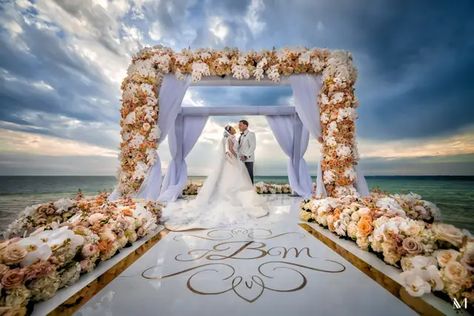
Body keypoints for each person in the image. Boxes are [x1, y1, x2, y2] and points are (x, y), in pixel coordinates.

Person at [162, 124, 268, 231]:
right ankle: (235, 199)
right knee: (234, 181)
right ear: (229, 131)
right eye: (232, 128)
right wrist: (236, 158)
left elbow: (235, 149)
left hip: (235, 161)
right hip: (232, 162)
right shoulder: (228, 139)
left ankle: (239, 198)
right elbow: (229, 150)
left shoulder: (232, 138)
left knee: (236, 181)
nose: (234, 128)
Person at [237, 119, 256, 184]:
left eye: (240, 125)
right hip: (241, 160)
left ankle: (251, 193)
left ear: (246, 126)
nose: (239, 127)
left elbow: (252, 146)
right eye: (239, 125)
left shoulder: (251, 134)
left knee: (249, 178)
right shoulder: (240, 136)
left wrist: (246, 156)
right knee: (243, 178)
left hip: (248, 160)